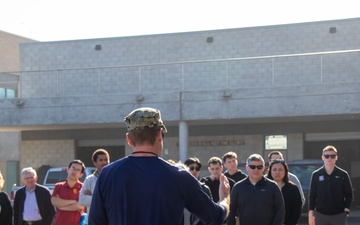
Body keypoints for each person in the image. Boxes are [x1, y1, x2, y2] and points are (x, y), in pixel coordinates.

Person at [89, 107, 230, 225]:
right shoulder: (179, 176)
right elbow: (215, 216)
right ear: (159, 135)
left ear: (129, 139)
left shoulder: (107, 174)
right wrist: (225, 199)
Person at [227, 154, 285, 225]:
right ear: (247, 168)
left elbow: (280, 210)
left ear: (263, 168)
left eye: (259, 167)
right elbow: (232, 210)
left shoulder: (272, 186)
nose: (256, 170)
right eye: (252, 167)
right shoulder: (238, 187)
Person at [308, 145, 353, 225]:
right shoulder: (316, 174)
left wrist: (346, 210)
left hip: (339, 215)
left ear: (336, 158)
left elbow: (349, 193)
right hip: (320, 214)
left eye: (332, 156)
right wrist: (311, 213)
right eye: (327, 156)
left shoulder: (343, 174)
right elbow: (312, 195)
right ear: (322, 157)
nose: (329, 158)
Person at [79, 149, 110, 224]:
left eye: (106, 160)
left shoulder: (114, 178)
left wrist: (92, 197)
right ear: (95, 163)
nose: (104, 162)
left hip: (109, 220)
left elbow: (114, 199)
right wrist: (102, 198)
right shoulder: (89, 180)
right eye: (101, 160)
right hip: (93, 221)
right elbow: (82, 200)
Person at [267, 159, 302, 225]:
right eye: (274, 170)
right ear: (270, 171)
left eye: (280, 170)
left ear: (285, 171)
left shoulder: (293, 188)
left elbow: (297, 210)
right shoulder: (265, 188)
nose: (277, 172)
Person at [51, 160, 86, 225]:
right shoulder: (58, 186)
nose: (74, 171)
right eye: (73, 168)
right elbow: (54, 201)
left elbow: (81, 206)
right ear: (68, 169)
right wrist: (73, 202)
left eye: (78, 170)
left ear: (81, 175)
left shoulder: (83, 187)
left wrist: (61, 206)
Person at [183, 158, 212, 225]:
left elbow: (210, 210)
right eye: (192, 168)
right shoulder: (180, 187)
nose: (194, 171)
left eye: (197, 168)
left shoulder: (204, 188)